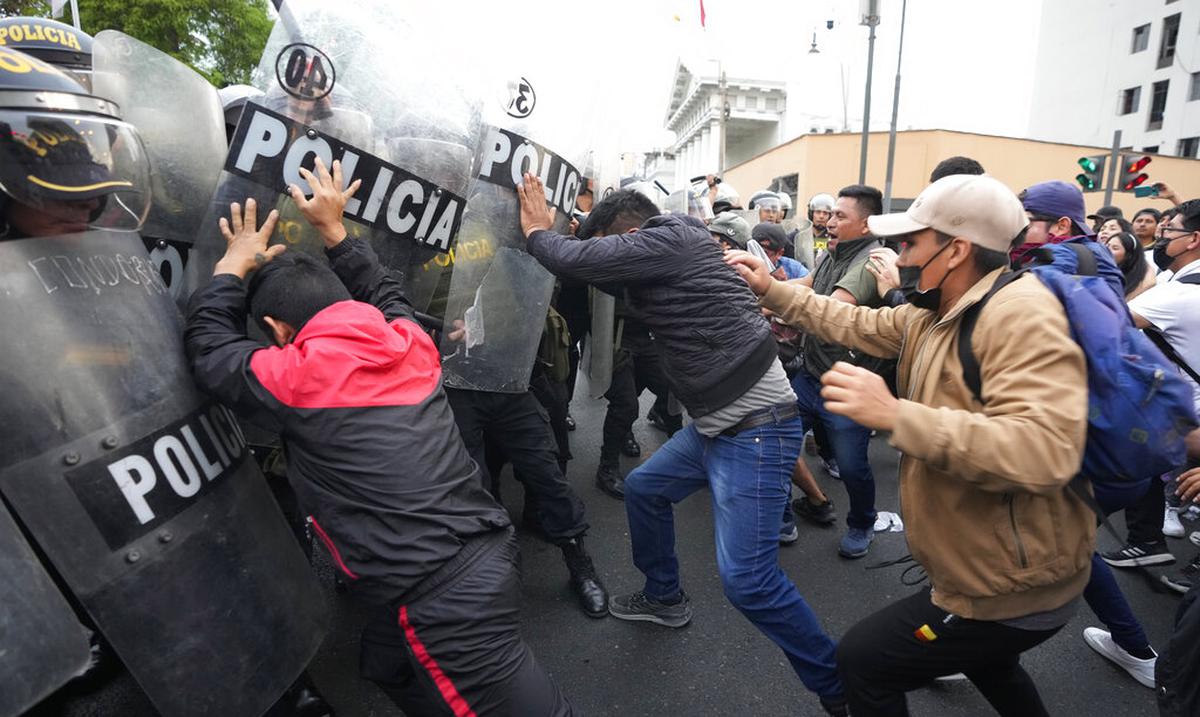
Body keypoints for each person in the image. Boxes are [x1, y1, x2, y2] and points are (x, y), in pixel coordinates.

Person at [183, 158, 575, 715]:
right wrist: (335, 230)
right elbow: (384, 290)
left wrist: (230, 268)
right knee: (385, 665)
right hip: (474, 554)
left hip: (440, 597)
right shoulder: (410, 342)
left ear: (277, 332)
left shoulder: (296, 377)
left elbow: (209, 350)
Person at [727, 173, 1095, 717]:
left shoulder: (1020, 315)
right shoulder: (937, 311)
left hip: (1008, 587)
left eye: (910, 243)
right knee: (991, 664)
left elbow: (1045, 452)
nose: (898, 257)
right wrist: (771, 289)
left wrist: (897, 414)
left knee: (864, 662)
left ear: (957, 249)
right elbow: (853, 319)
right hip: (983, 567)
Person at [516, 175, 849, 717]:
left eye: (608, 245)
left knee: (750, 583)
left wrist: (535, 231)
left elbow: (580, 261)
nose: (609, 259)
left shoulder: (669, 237)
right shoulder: (672, 250)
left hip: (756, 427)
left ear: (626, 232)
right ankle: (665, 596)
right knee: (646, 488)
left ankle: (842, 688)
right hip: (716, 425)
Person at [791, 184, 888, 558]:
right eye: (830, 214)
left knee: (852, 469)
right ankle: (798, 507)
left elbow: (831, 308)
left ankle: (862, 522)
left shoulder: (870, 261)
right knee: (774, 439)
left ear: (866, 225)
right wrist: (762, 290)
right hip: (809, 376)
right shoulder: (834, 252)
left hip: (846, 388)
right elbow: (808, 284)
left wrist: (778, 304)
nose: (829, 221)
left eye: (840, 216)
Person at [1128, 199, 1200, 594]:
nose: (1160, 236)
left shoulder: (1181, 294)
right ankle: (1148, 543)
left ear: (1193, 239)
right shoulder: (1178, 284)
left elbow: (1108, 325)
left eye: (1168, 231)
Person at [1104, 231, 1155, 299]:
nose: (1107, 250)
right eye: (1107, 245)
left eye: (1115, 248)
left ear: (1128, 255)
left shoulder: (1140, 281)